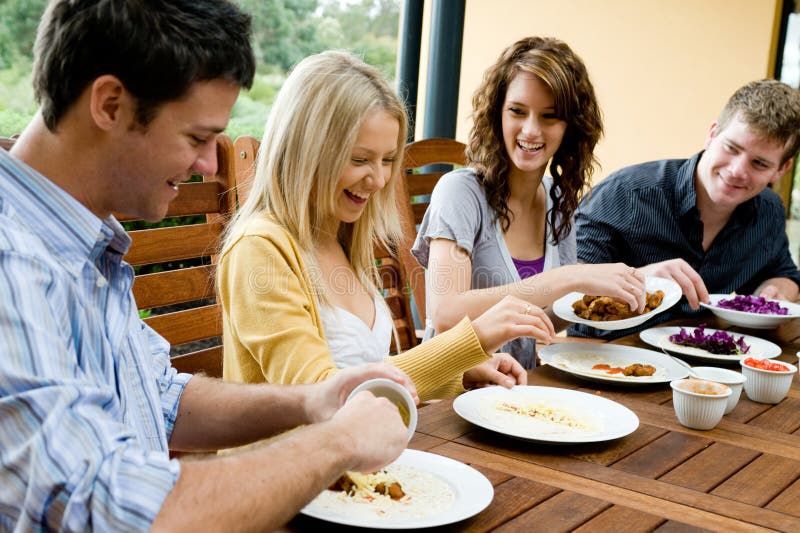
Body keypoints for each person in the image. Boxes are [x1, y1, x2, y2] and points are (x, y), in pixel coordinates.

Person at [0, 2, 416, 530]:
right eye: (197, 138)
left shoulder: (87, 246)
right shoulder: (13, 262)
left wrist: (313, 401)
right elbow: (100, 505)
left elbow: (163, 400)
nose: (211, 166)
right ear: (109, 104)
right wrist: (338, 441)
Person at [219, 50, 554, 401]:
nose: (379, 179)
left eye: (389, 160)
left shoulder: (341, 238)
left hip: (371, 448)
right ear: (307, 149)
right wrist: (470, 340)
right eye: (360, 159)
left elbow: (369, 369)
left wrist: (459, 375)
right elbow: (321, 394)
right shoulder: (257, 249)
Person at [411, 36, 645, 367]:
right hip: (455, 390)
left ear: (570, 127)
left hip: (524, 390)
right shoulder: (460, 192)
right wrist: (567, 278)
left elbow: (544, 319)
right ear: (497, 115)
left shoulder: (557, 199)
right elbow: (446, 313)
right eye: (518, 111)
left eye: (549, 116)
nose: (531, 130)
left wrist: (622, 289)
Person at [574, 78, 800, 339]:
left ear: (781, 169)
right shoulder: (624, 194)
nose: (737, 171)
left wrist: (776, 291)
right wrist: (637, 278)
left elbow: (785, 274)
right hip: (601, 365)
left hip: (712, 369)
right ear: (712, 134)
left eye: (759, 163)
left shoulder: (769, 211)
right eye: (731, 148)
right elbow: (564, 287)